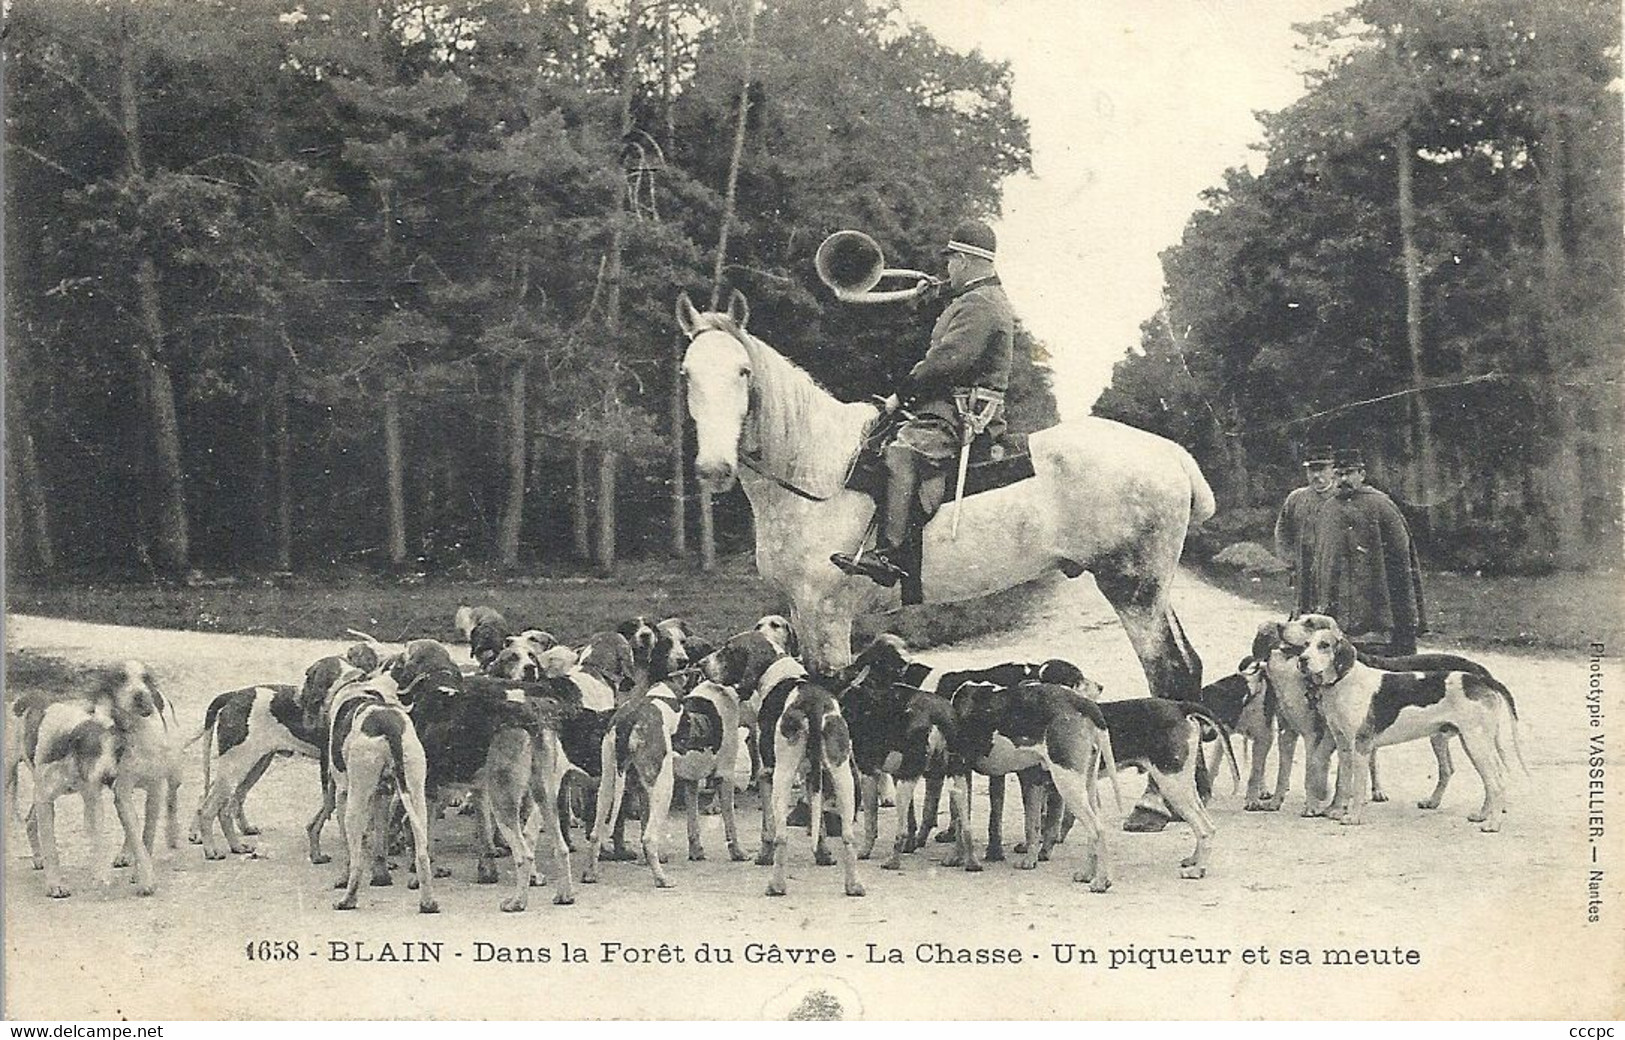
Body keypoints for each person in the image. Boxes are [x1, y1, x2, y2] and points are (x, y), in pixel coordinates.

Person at [831, 218, 1015, 586]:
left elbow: (946, 362)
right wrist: (935, 291)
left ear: (962, 260)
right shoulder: (977, 298)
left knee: (901, 452)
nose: (946, 267)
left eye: (950, 261)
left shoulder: (980, 304)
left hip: (963, 413)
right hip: (949, 407)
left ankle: (890, 556)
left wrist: (901, 395)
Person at [1305, 447, 1427, 656]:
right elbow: (1322, 560)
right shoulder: (1328, 509)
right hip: (1339, 607)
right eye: (1339, 474)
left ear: (1362, 474)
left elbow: (1401, 559)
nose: (1344, 479)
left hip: (1376, 604)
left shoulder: (1381, 505)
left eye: (1349, 473)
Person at [1274, 444, 1337, 617]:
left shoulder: (1341, 497)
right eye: (1311, 470)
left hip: (1333, 569)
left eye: (1322, 469)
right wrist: (1290, 562)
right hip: (1304, 566)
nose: (1316, 475)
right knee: (1303, 614)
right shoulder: (1296, 498)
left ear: (1333, 470)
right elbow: (1282, 532)